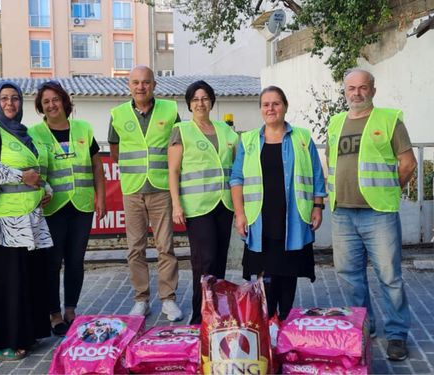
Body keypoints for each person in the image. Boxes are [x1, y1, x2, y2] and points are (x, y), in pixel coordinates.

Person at [326, 68, 416, 361]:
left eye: (363, 87)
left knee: (389, 276)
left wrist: (389, 189)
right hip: (343, 213)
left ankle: (397, 335)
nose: (357, 93)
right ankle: (364, 326)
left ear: (373, 91)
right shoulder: (336, 122)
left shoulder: (389, 120)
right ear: (345, 92)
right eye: (351, 88)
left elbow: (408, 163)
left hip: (378, 213)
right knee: (349, 276)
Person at [0, 80, 52, 361]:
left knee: (26, 279)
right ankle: (0, 342)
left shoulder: (25, 134)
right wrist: (21, 177)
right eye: (4, 98)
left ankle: (25, 335)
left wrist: (46, 190)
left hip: (29, 219)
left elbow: (36, 171)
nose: (9, 103)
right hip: (2, 222)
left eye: (15, 98)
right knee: (5, 283)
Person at [230, 86, 326, 321]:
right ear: (261, 109)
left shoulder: (302, 137)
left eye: (276, 103)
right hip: (260, 217)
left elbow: (316, 173)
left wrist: (317, 206)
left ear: (285, 106)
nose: (271, 108)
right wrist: (240, 214)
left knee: (288, 270)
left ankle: (283, 317)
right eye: (266, 104)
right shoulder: (249, 140)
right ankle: (267, 317)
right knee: (265, 271)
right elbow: (236, 178)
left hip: (293, 216)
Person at [29, 81, 106, 336]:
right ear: (41, 106)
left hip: (81, 206)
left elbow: (97, 166)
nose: (51, 105)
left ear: (64, 101)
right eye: (46, 101)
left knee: (76, 260)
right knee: (52, 263)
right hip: (52, 208)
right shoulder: (35, 134)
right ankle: (54, 315)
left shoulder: (83, 128)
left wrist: (101, 197)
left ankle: (71, 310)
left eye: (55, 99)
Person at [108, 65, 182, 321]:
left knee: (165, 247)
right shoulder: (117, 114)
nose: (141, 87)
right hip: (133, 189)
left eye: (146, 82)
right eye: (136, 82)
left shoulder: (170, 110)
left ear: (154, 84)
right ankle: (141, 300)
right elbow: (115, 151)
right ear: (129, 85)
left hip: (161, 189)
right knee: (135, 248)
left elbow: (178, 148)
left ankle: (168, 299)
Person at [167, 80, 238, 324]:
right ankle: (200, 317)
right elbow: (173, 171)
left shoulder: (227, 131)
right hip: (197, 207)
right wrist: (176, 204)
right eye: (195, 99)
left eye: (205, 98)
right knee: (204, 261)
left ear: (211, 101)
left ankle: (216, 312)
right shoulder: (181, 130)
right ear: (189, 104)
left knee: (219, 260)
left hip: (224, 204)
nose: (200, 103)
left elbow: (237, 167)